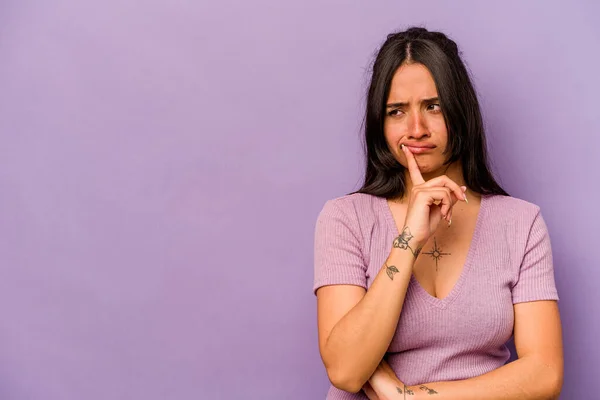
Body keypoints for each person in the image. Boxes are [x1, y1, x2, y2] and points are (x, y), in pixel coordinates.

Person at [313, 27, 563, 400]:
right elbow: (347, 370)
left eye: (434, 106)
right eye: (397, 111)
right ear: (381, 126)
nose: (416, 129)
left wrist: (411, 397)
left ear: (460, 110)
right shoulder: (345, 218)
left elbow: (544, 374)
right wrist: (409, 238)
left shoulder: (521, 223)